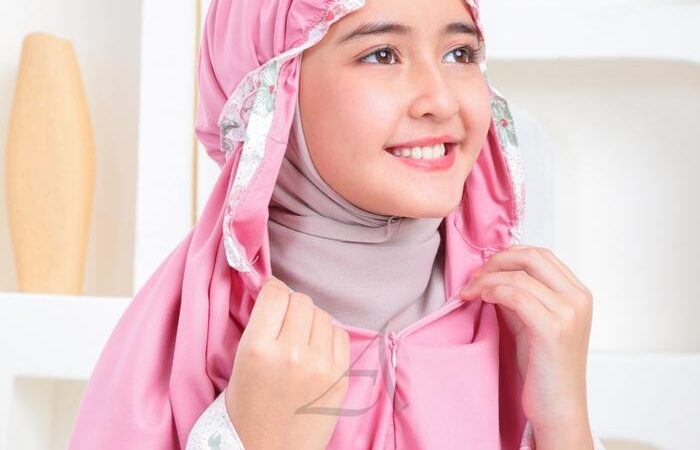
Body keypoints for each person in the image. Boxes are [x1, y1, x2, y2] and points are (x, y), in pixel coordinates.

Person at [69, 0, 607, 448]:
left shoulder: (520, 319)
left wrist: (566, 426)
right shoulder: (191, 337)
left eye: (459, 53)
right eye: (381, 54)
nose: (441, 100)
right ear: (273, 92)